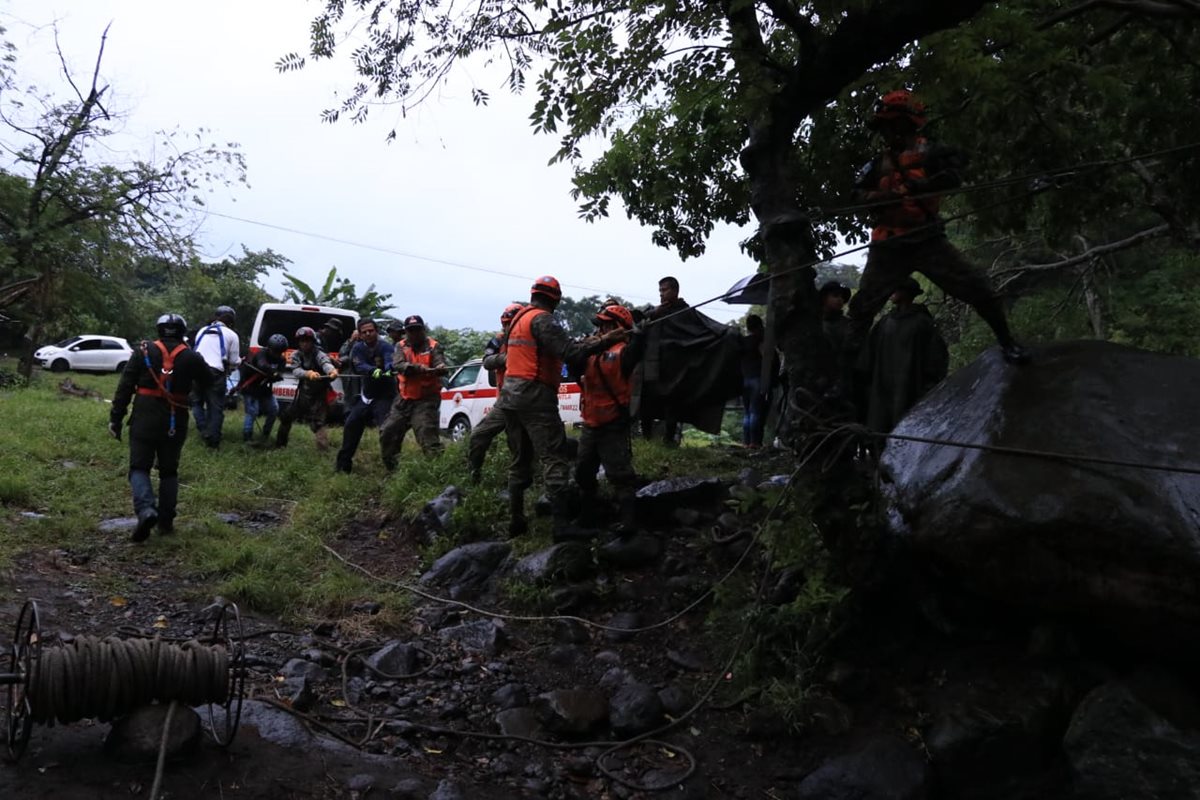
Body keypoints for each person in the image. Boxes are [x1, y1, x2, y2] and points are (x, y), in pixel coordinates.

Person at [849, 89, 1027, 365]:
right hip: (888, 245)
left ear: (904, 123)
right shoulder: (877, 164)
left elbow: (954, 175)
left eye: (888, 125)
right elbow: (855, 195)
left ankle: (1008, 343)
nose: (884, 133)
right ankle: (842, 377)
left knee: (979, 288)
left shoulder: (932, 152)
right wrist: (881, 197)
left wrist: (924, 186)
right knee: (861, 309)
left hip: (927, 240)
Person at [498, 276, 628, 540]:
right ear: (555, 299)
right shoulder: (542, 320)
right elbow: (571, 353)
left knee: (520, 460)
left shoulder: (518, 319)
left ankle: (516, 520)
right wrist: (606, 340)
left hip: (510, 397)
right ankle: (562, 527)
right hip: (534, 395)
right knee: (554, 457)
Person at [109, 313, 213, 541]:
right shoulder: (191, 356)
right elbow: (209, 380)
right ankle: (165, 522)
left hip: (144, 416)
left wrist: (116, 418)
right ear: (182, 331)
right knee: (169, 471)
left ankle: (146, 509)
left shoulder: (143, 351)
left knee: (139, 467)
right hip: (175, 418)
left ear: (159, 330)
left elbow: (125, 386)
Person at [570, 304, 642, 532]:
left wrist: (639, 331)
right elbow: (573, 360)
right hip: (590, 421)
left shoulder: (625, 352)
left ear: (617, 327)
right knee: (583, 472)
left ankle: (629, 523)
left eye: (605, 325)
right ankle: (587, 516)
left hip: (613, 422)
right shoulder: (591, 351)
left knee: (620, 474)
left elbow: (638, 347)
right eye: (600, 325)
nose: (600, 329)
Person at [856, 277, 949, 433]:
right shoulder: (885, 323)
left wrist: (928, 388)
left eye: (896, 289)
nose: (891, 292)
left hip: (911, 390)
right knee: (881, 430)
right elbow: (868, 357)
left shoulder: (922, 323)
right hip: (882, 391)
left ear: (907, 293)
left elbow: (936, 359)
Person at [466, 303, 525, 483]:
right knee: (478, 435)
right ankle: (473, 476)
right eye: (505, 324)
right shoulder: (498, 341)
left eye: (510, 323)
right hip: (503, 400)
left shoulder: (530, 339)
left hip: (525, 400)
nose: (507, 327)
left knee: (519, 443)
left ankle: (521, 482)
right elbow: (487, 361)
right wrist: (506, 358)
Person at [379, 315, 447, 470]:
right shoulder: (400, 346)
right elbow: (398, 365)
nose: (414, 333)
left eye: (417, 330)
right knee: (387, 432)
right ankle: (392, 471)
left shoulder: (434, 346)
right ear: (406, 332)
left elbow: (440, 363)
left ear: (423, 330)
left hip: (426, 399)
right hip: (404, 399)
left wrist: (440, 368)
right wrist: (417, 368)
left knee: (427, 436)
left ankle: (438, 473)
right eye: (411, 330)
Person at [336, 318, 396, 473]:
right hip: (366, 397)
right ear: (360, 334)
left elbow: (390, 359)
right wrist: (372, 370)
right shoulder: (357, 348)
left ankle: (392, 468)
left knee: (386, 431)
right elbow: (359, 365)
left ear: (376, 331)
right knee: (351, 425)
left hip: (384, 396)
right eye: (364, 332)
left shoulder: (386, 346)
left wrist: (389, 368)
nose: (368, 334)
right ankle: (342, 467)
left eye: (371, 331)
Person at [641, 276, 688, 445]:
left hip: (675, 367)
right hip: (653, 364)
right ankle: (646, 438)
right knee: (647, 402)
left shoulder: (685, 311)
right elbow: (638, 323)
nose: (661, 294)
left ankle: (669, 439)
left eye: (665, 290)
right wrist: (654, 314)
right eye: (660, 290)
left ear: (675, 291)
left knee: (671, 403)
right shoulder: (654, 311)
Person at [275, 326, 339, 450]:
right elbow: (295, 370)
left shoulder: (319, 354)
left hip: (319, 395)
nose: (304, 344)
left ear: (313, 342)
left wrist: (332, 371)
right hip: (303, 393)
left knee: (317, 423)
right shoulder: (296, 355)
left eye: (307, 341)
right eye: (302, 341)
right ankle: (280, 445)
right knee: (286, 416)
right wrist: (307, 373)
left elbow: (325, 363)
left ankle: (323, 451)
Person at [190, 305, 241, 448]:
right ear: (231, 321)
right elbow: (233, 361)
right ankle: (213, 440)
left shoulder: (202, 331)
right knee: (215, 407)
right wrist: (238, 362)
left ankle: (203, 428)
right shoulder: (232, 335)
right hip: (215, 373)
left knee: (196, 402)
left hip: (197, 370)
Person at [238, 333, 289, 444]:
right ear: (269, 348)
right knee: (253, 411)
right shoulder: (261, 353)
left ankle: (265, 434)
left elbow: (280, 372)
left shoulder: (281, 360)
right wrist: (273, 373)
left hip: (264, 387)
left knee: (274, 409)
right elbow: (262, 365)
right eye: (275, 351)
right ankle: (247, 436)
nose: (277, 354)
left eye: (279, 352)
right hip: (250, 386)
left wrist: (277, 376)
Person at [739, 314, 770, 448]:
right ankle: (755, 441)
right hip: (757, 378)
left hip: (744, 379)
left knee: (747, 412)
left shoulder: (742, 342)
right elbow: (767, 359)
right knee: (756, 411)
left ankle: (746, 441)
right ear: (759, 326)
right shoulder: (760, 341)